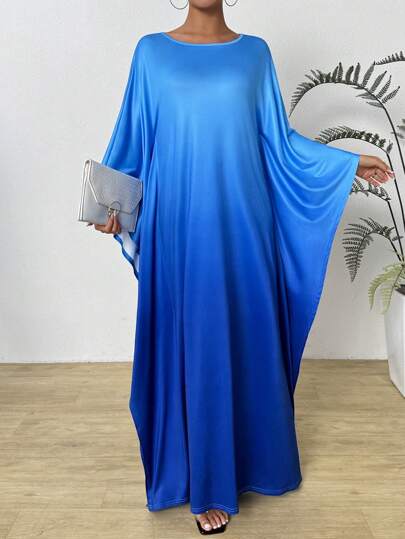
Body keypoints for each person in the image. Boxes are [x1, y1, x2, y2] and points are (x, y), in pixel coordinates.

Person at [89, 0, 394, 534]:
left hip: (244, 223)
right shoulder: (151, 53)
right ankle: (207, 483)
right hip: (180, 226)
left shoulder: (254, 54)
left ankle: (252, 464)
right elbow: (132, 143)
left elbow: (280, 145)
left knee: (244, 336)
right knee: (199, 339)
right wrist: (111, 208)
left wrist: (347, 163)